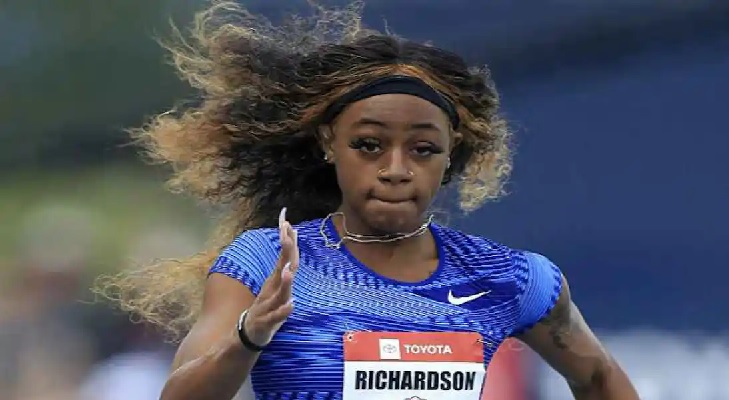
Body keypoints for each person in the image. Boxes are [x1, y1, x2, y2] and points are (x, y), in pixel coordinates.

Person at [96, 1, 640, 399]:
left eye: (423, 149)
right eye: (369, 145)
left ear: (451, 154)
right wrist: (249, 335)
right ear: (328, 143)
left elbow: (598, 376)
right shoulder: (266, 264)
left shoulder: (509, 279)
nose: (396, 170)